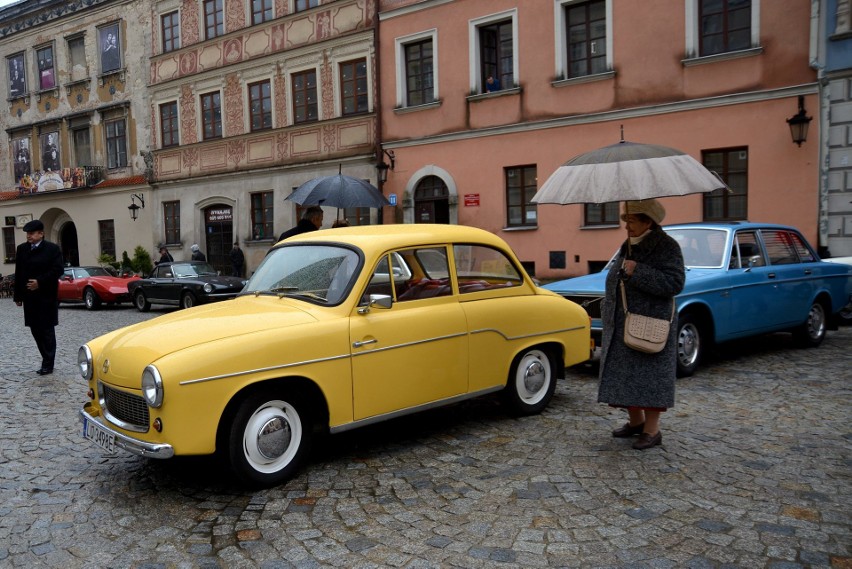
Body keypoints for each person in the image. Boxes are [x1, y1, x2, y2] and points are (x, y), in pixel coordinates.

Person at [598, 199, 685, 450]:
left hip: (650, 322)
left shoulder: (666, 246)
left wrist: (639, 271)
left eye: (633, 221)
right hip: (624, 321)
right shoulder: (630, 243)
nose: (627, 226)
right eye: (626, 221)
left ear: (648, 221)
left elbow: (675, 283)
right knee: (627, 377)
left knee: (649, 379)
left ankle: (652, 430)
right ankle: (635, 422)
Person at [14, 219, 64, 376]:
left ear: (41, 234)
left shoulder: (52, 249)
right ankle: (45, 358)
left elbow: (58, 270)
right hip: (30, 298)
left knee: (47, 330)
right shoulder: (22, 249)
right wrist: (18, 296)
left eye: (31, 233)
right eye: (27, 233)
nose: (28, 236)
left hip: (46, 297)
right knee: (35, 330)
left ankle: (48, 363)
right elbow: (19, 272)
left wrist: (40, 282)